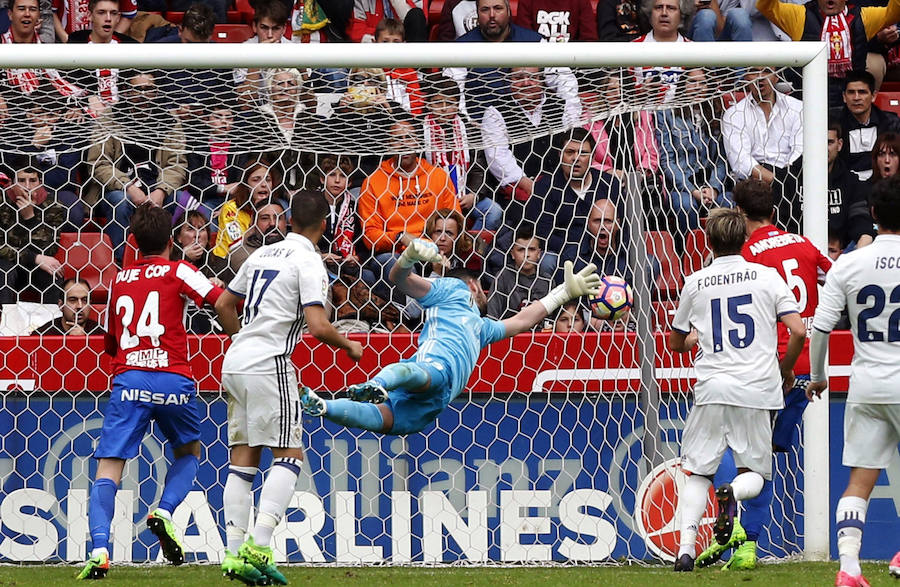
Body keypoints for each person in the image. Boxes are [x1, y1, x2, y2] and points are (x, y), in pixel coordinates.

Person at [298, 238, 601, 436]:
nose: (485, 292)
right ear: (472, 286)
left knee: (386, 420)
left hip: (434, 403)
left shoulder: (483, 328)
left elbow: (522, 321)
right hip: (436, 367)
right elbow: (400, 280)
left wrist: (564, 293)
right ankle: (376, 383)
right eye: (482, 287)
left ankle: (324, 406)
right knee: (417, 372)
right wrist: (406, 259)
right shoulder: (452, 290)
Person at [214, 190, 363, 586]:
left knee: (243, 459)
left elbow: (223, 305)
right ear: (325, 226)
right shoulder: (309, 262)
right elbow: (317, 325)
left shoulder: (261, 254)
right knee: (289, 454)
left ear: (288, 221)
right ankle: (259, 546)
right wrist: (349, 344)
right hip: (269, 363)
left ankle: (232, 553)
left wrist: (243, 340)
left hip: (236, 361)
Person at [76, 204, 224, 580]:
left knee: (110, 466)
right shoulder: (180, 271)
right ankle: (165, 510)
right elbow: (219, 297)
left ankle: (99, 550)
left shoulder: (119, 281)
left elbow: (110, 343)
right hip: (174, 377)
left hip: (131, 380)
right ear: (173, 240)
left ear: (132, 241)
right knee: (189, 451)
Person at [693, 178, 831, 571]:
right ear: (774, 209)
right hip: (802, 368)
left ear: (738, 211)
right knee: (764, 456)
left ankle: (738, 531)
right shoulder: (803, 244)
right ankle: (746, 542)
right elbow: (834, 279)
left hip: (762, 367)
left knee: (743, 456)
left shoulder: (746, 254)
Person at [666, 208, 806, 572]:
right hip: (758, 387)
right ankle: (732, 495)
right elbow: (799, 330)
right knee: (755, 474)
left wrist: (696, 337)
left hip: (712, 387)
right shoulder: (767, 276)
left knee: (698, 471)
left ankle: (684, 551)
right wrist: (786, 369)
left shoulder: (695, 282)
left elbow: (676, 343)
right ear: (744, 238)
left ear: (709, 241)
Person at [807, 175, 900, 587]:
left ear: (874, 215)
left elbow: (821, 329)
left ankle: (848, 568)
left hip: (867, 385)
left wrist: (817, 377)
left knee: (859, 481)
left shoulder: (849, 263)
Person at [86, 70, 187, 261]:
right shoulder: (109, 119)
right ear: (126, 91)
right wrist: (128, 187)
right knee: (120, 202)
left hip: (156, 188)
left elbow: (177, 165)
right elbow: (98, 164)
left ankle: (169, 261)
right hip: (119, 189)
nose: (143, 95)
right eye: (137, 89)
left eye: (149, 90)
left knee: (179, 199)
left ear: (156, 92)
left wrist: (161, 191)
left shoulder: (169, 121)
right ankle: (122, 263)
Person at [756, 0, 900, 107]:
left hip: (850, 103)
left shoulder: (864, 16)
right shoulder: (800, 15)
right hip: (809, 101)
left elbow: (895, 11)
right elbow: (765, 6)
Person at [528, 128, 622, 273]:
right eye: (570, 152)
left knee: (650, 264)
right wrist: (579, 250)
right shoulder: (544, 187)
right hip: (565, 254)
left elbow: (624, 224)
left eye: (583, 153)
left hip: (607, 252)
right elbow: (543, 233)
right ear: (560, 155)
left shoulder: (610, 184)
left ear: (592, 157)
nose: (576, 158)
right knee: (546, 261)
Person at [0, 165, 67, 305]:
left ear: (40, 182)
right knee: (4, 270)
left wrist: (30, 218)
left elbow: (49, 250)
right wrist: (34, 257)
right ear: (12, 182)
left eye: (33, 180)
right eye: (22, 180)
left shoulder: (53, 205)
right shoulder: (2, 201)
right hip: (7, 264)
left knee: (54, 275)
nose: (27, 186)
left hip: (35, 268)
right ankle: (3, 322)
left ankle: (51, 323)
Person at [837, 71, 900, 182]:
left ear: (873, 96)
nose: (856, 98)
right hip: (846, 189)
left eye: (862, 92)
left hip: (885, 187)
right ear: (844, 97)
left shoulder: (892, 124)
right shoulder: (833, 125)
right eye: (851, 92)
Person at [828, 121, 876, 252]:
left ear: (839, 145)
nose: (824, 148)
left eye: (829, 142)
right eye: (818, 142)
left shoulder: (851, 182)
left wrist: (851, 260)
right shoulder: (792, 179)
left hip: (842, 255)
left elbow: (860, 222)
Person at [486, 225, 552, 321]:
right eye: (521, 250)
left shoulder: (547, 281)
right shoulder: (502, 277)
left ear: (539, 254)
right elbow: (493, 317)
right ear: (512, 254)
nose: (527, 255)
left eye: (532, 249)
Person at [32, 277, 103, 335]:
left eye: (84, 300)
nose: (80, 306)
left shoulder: (101, 334)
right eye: (73, 300)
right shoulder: (43, 335)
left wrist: (83, 341)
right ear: (61, 305)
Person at [512, 0, 599, 42]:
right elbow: (524, 38)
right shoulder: (527, 1)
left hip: (573, 59)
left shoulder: (581, 1)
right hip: (536, 60)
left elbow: (589, 40)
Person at [55, 0, 136, 42]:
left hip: (109, 47)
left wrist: (112, 39)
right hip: (69, 44)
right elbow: (52, 11)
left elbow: (128, 14)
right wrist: (67, 40)